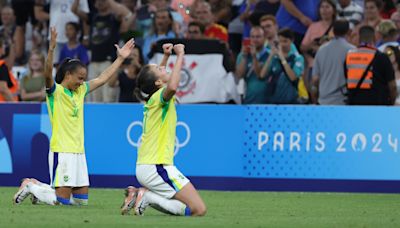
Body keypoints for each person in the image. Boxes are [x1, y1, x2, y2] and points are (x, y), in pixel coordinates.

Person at [13, 27, 134, 206]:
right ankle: (30, 185)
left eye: (83, 78)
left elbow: (102, 79)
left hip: (79, 152)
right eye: (79, 78)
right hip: (62, 151)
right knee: (61, 201)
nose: (81, 82)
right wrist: (52, 48)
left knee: (80, 203)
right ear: (68, 75)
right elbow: (47, 74)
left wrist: (120, 58)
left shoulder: (80, 90)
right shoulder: (55, 92)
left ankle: (38, 186)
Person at [120, 43, 206, 216]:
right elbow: (172, 86)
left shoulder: (153, 96)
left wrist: (166, 55)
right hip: (157, 166)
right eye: (159, 68)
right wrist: (180, 55)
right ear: (158, 82)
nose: (163, 67)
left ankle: (139, 194)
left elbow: (159, 77)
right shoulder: (160, 96)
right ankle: (147, 197)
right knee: (198, 210)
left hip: (149, 166)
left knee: (189, 208)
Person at [345, 25, 397, 105]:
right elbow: (392, 86)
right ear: (374, 39)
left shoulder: (349, 56)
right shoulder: (381, 57)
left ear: (359, 39)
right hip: (377, 104)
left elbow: (346, 78)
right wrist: (391, 102)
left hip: (354, 104)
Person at [311, 19, 355, 105]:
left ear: (333, 31)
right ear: (348, 31)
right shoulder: (352, 50)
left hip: (324, 100)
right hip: (343, 100)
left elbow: (315, 79)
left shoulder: (321, 50)